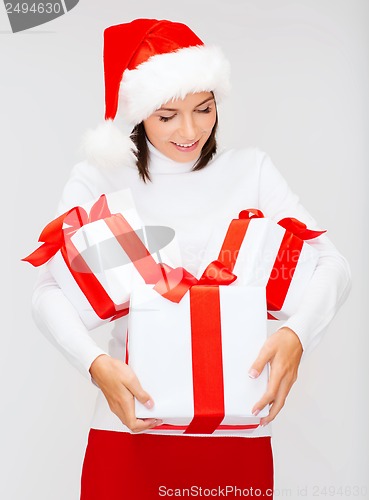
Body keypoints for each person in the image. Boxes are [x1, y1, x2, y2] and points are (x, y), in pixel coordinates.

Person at [29, 19, 351, 499]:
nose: (190, 130)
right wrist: (95, 363)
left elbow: (334, 265)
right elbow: (49, 290)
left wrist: (295, 335)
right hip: (130, 430)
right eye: (166, 116)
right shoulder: (102, 177)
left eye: (204, 108)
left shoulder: (251, 170)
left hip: (237, 433)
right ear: (137, 114)